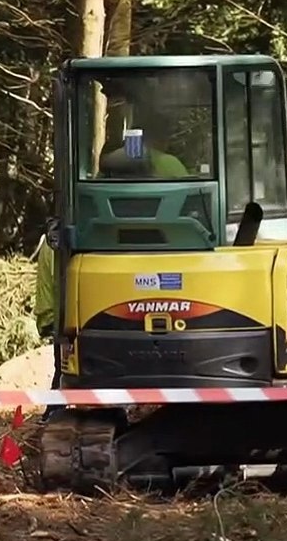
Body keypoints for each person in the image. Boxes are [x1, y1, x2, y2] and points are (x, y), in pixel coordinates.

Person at [32, 131, 187, 422]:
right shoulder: (171, 172)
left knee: (73, 375)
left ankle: (56, 414)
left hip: (69, 317)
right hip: (79, 317)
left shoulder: (72, 230)